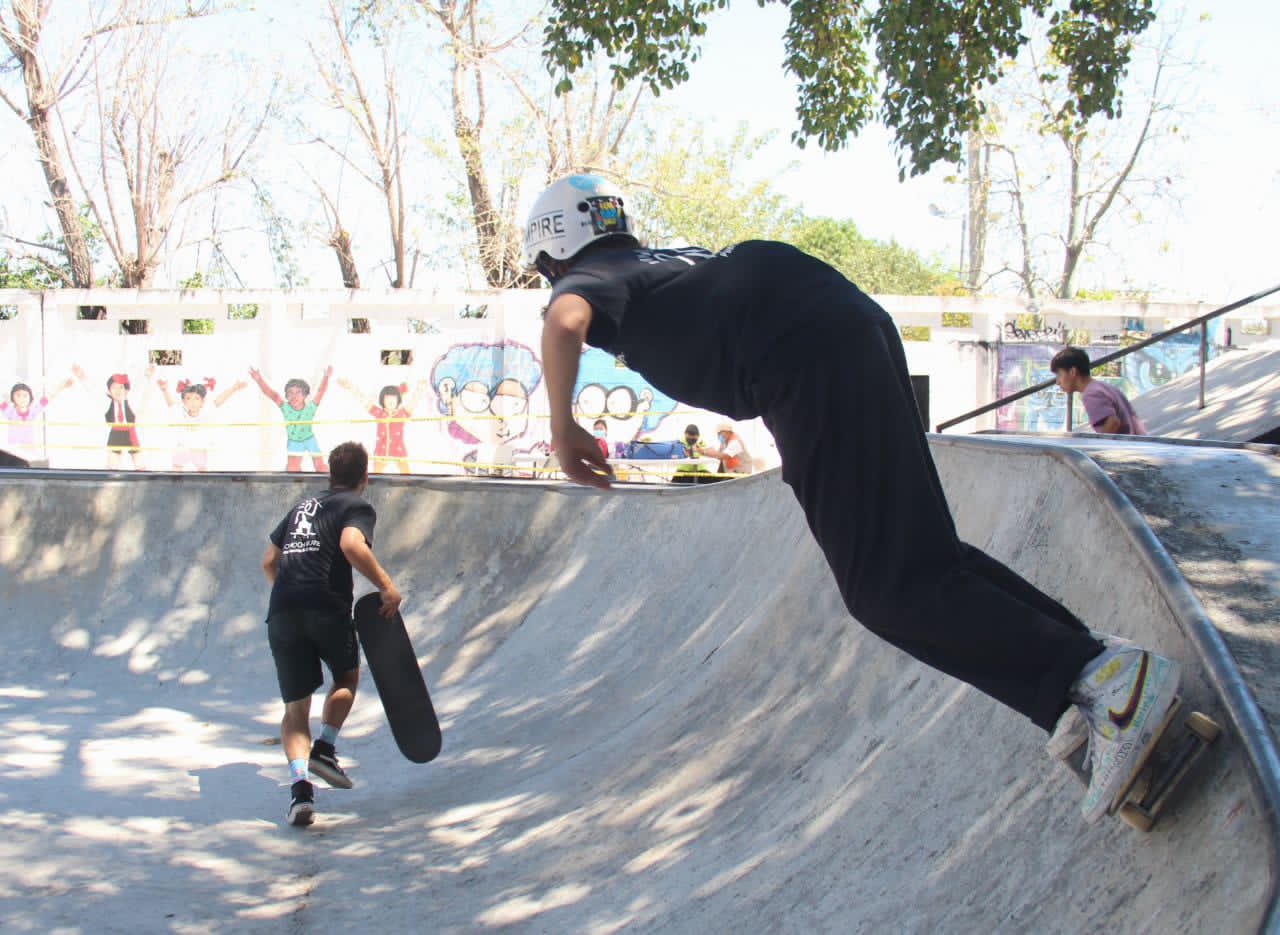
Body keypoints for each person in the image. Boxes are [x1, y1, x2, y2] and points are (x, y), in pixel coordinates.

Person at [527, 173, 1181, 825]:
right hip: (848, 323)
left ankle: (1103, 679)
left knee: (885, 588)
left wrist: (562, 426)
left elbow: (563, 321)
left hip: (802, 360)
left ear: (555, 253)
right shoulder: (666, 259)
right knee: (926, 557)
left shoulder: (592, 276)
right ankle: (1089, 674)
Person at [260, 441, 402, 826]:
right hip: (326, 607)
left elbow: (269, 561)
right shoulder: (356, 506)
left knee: (295, 709)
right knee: (346, 677)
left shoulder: (301, 507)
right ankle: (324, 747)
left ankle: (300, 791)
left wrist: (289, 595)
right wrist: (386, 586)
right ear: (364, 476)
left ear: (329, 473)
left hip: (282, 611)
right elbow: (351, 544)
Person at [249, 365, 333, 473]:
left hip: (309, 439)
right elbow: (271, 394)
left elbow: (320, 391)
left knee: (321, 467)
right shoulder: (286, 408)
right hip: (294, 442)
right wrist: (259, 379)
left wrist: (326, 377)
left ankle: (328, 479)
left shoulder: (310, 408)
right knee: (292, 469)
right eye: (290, 393)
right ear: (286, 396)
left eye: (298, 392)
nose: (294, 396)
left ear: (305, 395)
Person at [155, 375, 248, 471]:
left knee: (201, 469)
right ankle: (174, 479)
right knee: (176, 466)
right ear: (184, 402)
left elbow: (219, 400)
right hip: (183, 446)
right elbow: (171, 404)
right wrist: (164, 390)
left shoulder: (205, 412)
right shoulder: (181, 412)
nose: (192, 402)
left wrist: (234, 388)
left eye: (196, 398)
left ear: (202, 401)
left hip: (199, 447)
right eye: (188, 398)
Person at [1049, 347, 1147, 435]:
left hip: (1125, 448)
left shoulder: (1091, 394)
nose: (1057, 382)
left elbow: (1113, 422)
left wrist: (1100, 445)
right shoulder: (1104, 387)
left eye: (1059, 375)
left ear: (1072, 372)